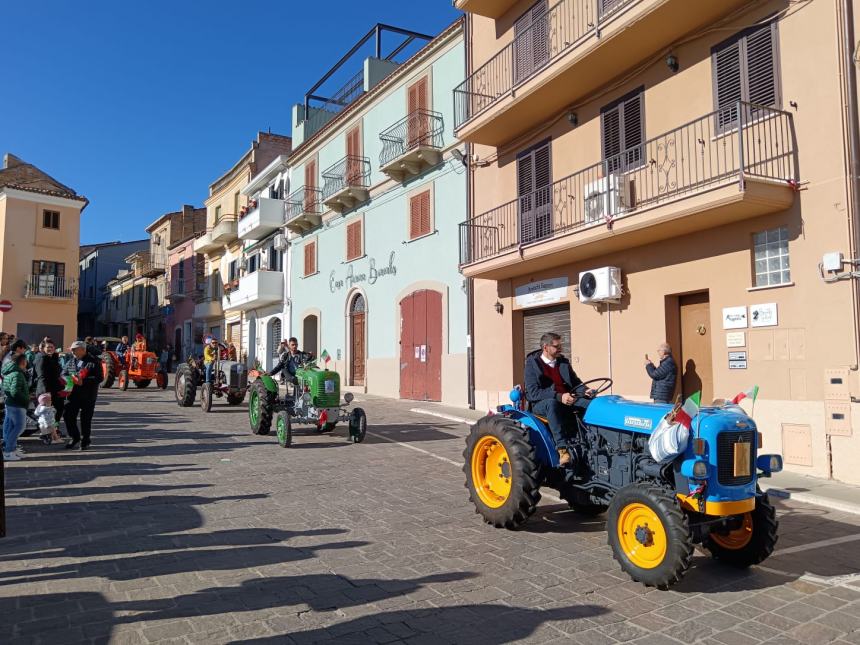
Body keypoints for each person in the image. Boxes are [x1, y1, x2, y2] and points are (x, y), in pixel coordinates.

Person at [524, 332, 593, 466]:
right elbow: (533, 393)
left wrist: (585, 390)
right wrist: (559, 396)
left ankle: (591, 439)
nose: (560, 349)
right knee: (552, 404)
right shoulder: (532, 364)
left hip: (567, 399)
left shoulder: (563, 362)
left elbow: (575, 382)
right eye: (556, 346)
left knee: (591, 404)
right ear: (545, 347)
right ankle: (562, 449)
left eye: (561, 345)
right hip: (541, 404)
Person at [63, 340, 101, 450]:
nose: (73, 351)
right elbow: (63, 372)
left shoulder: (93, 361)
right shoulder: (71, 361)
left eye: (75, 349)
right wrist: (67, 379)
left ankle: (85, 441)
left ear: (83, 350)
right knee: (68, 416)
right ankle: (74, 437)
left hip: (88, 395)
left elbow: (99, 378)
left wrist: (83, 381)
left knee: (85, 419)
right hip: (73, 394)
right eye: (72, 350)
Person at [2, 353, 32, 460]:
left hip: (11, 404)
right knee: (19, 427)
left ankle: (12, 449)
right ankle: (9, 451)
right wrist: (26, 399)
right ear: (23, 362)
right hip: (17, 405)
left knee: (12, 428)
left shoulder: (10, 372)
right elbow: (15, 392)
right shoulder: (17, 374)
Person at [33, 339, 64, 434]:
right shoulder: (41, 358)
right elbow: (41, 376)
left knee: (58, 410)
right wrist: (45, 392)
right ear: (43, 348)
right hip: (47, 391)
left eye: (52, 347)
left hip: (56, 389)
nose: (50, 349)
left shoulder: (53, 358)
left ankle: (54, 430)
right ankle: (47, 433)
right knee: (47, 414)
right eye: (48, 347)